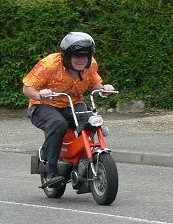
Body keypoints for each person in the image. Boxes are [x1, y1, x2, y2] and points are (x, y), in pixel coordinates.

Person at [22, 32, 115, 188]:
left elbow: (93, 83)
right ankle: (51, 172)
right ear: (66, 56)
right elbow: (27, 88)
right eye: (76, 56)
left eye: (85, 55)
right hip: (44, 105)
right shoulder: (49, 64)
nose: (81, 59)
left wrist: (103, 88)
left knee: (90, 121)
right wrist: (40, 95)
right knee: (58, 124)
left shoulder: (91, 65)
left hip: (73, 103)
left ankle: (84, 162)